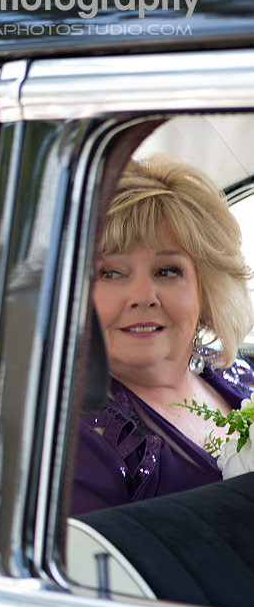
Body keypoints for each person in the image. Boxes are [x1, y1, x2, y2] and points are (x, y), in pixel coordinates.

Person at [72, 155, 254, 515]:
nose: (143, 297)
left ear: (205, 287)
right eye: (110, 273)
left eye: (167, 271)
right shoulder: (75, 441)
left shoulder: (237, 373)